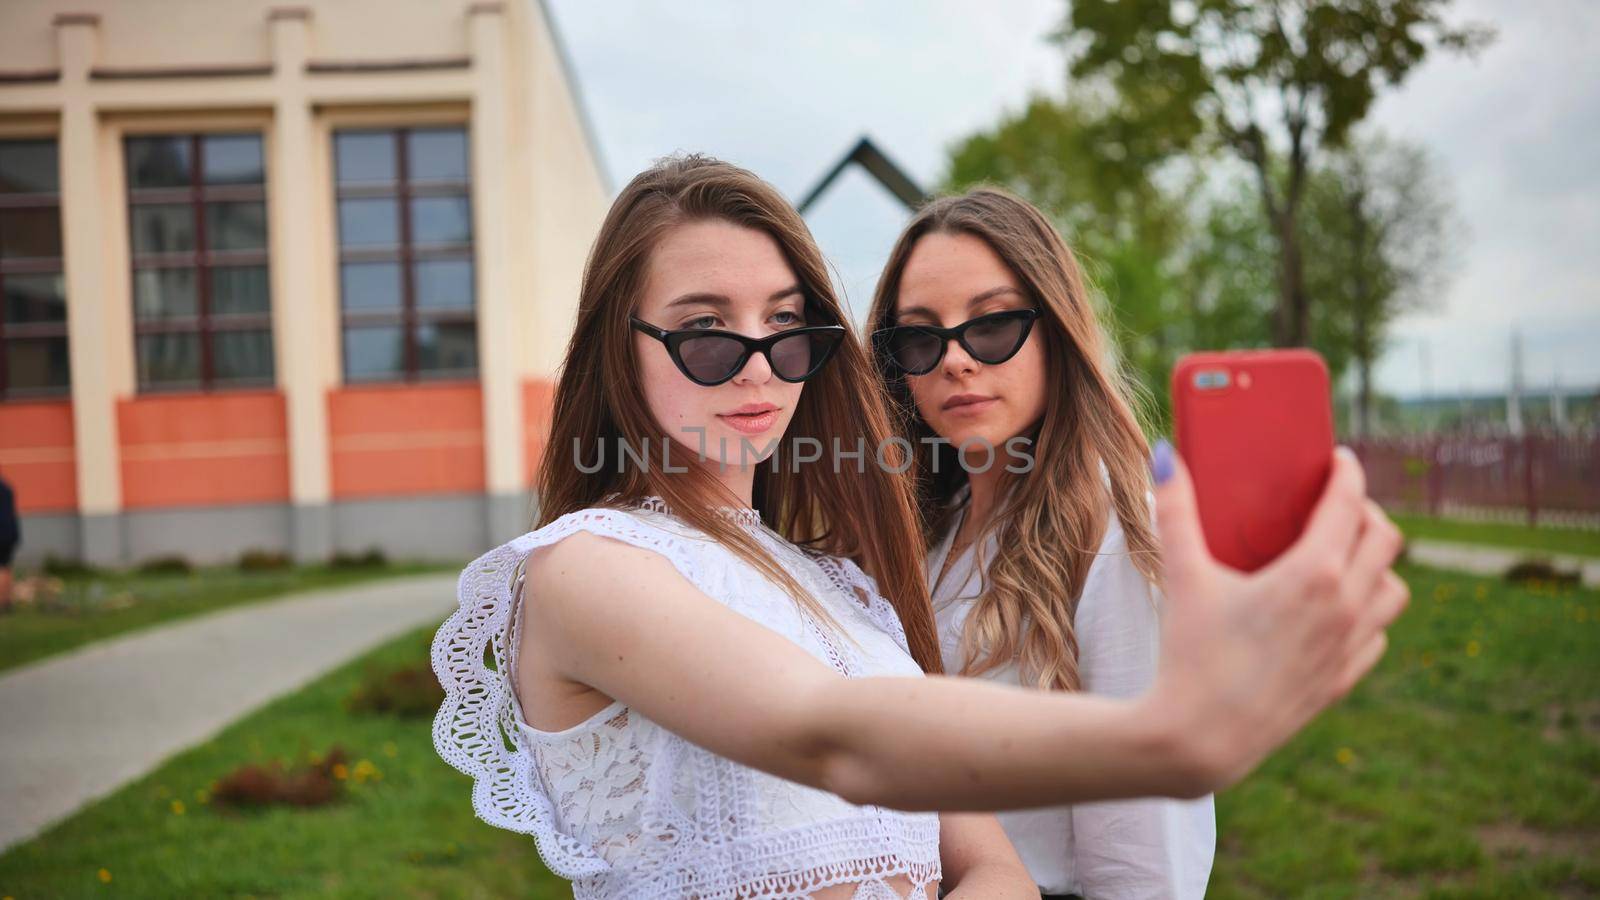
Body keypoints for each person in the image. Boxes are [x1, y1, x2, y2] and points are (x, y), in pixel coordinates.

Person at [431, 155, 1408, 899]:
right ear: (618, 349)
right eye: (705, 330)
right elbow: (833, 736)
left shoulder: (839, 585)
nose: (760, 365)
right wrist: (1175, 736)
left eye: (787, 324)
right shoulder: (586, 569)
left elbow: (992, 867)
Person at [868, 187, 1216, 898]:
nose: (956, 361)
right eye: (920, 335)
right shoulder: (928, 530)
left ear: (1055, 329)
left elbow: (1147, 866)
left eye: (992, 325)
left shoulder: (1118, 535)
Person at [0, 474, 18, 614]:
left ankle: (2, 602)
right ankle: (7, 601)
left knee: (2, 567)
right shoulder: (7, 488)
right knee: (6, 566)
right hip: (11, 532)